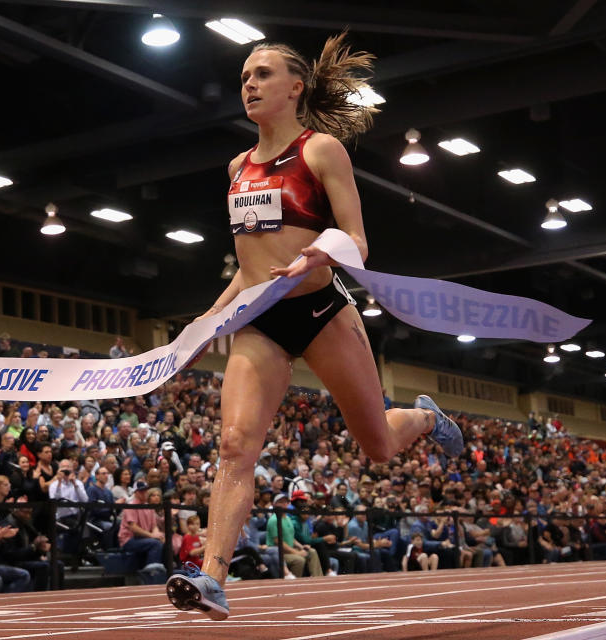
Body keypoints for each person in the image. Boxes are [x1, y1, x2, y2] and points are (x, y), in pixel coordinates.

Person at [166, 33, 462, 620]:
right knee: (233, 446)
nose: (248, 84)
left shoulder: (320, 150)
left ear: (295, 86)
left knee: (376, 446)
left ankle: (427, 417)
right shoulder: (237, 167)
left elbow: (357, 240)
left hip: (322, 312)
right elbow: (249, 267)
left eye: (263, 74)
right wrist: (205, 322)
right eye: (245, 76)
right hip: (258, 321)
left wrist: (319, 255)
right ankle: (212, 577)